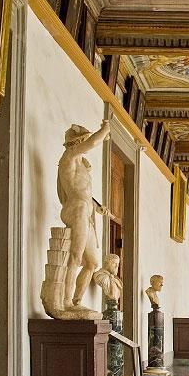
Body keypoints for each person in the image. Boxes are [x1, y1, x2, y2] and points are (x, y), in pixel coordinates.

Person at [58, 120, 110, 310]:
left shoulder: (80, 164)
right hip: (76, 209)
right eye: (84, 139)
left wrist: (96, 207)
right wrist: (105, 130)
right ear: (77, 141)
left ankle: (77, 301)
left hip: (85, 211)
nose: (86, 142)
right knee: (75, 256)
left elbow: (85, 192)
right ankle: (65, 301)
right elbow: (93, 142)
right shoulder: (69, 156)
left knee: (92, 263)